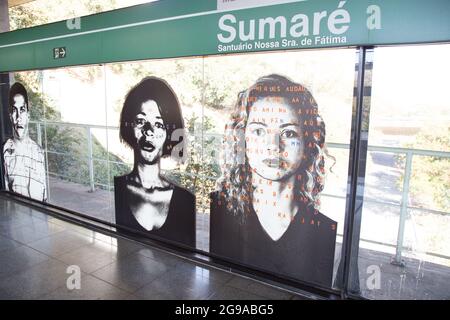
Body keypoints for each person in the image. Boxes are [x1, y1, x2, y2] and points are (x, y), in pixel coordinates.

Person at [210, 74, 337, 287]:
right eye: (259, 130)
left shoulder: (323, 230)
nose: (273, 145)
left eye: (288, 133)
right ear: (242, 138)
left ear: (308, 141)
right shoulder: (222, 208)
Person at [114, 77, 196, 248]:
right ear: (130, 126)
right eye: (141, 121)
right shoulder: (120, 187)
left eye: (159, 124)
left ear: (170, 133)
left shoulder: (185, 200)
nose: (149, 132)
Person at [2, 82, 47, 202]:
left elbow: (44, 195)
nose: (18, 118)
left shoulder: (39, 152)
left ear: (28, 115)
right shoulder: (4, 153)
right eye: (14, 111)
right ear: (10, 115)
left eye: (22, 110)